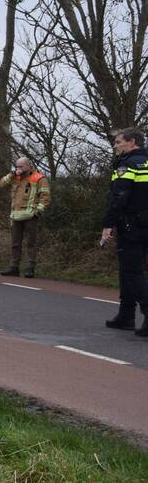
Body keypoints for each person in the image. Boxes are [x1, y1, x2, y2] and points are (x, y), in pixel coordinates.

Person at [101, 128, 148, 334]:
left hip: (131, 225)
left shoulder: (128, 164)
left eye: (119, 142)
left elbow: (119, 197)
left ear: (133, 142)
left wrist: (107, 224)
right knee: (130, 271)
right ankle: (126, 315)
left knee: (131, 272)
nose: (115, 146)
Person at [0, 157, 51, 278]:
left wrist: (38, 211)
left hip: (30, 215)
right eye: (17, 166)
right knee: (15, 243)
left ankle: (30, 268)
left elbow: (45, 196)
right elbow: (2, 183)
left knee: (30, 243)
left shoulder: (39, 178)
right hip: (16, 215)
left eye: (21, 167)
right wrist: (12, 174)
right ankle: (14, 267)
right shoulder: (15, 177)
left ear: (29, 166)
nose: (19, 169)